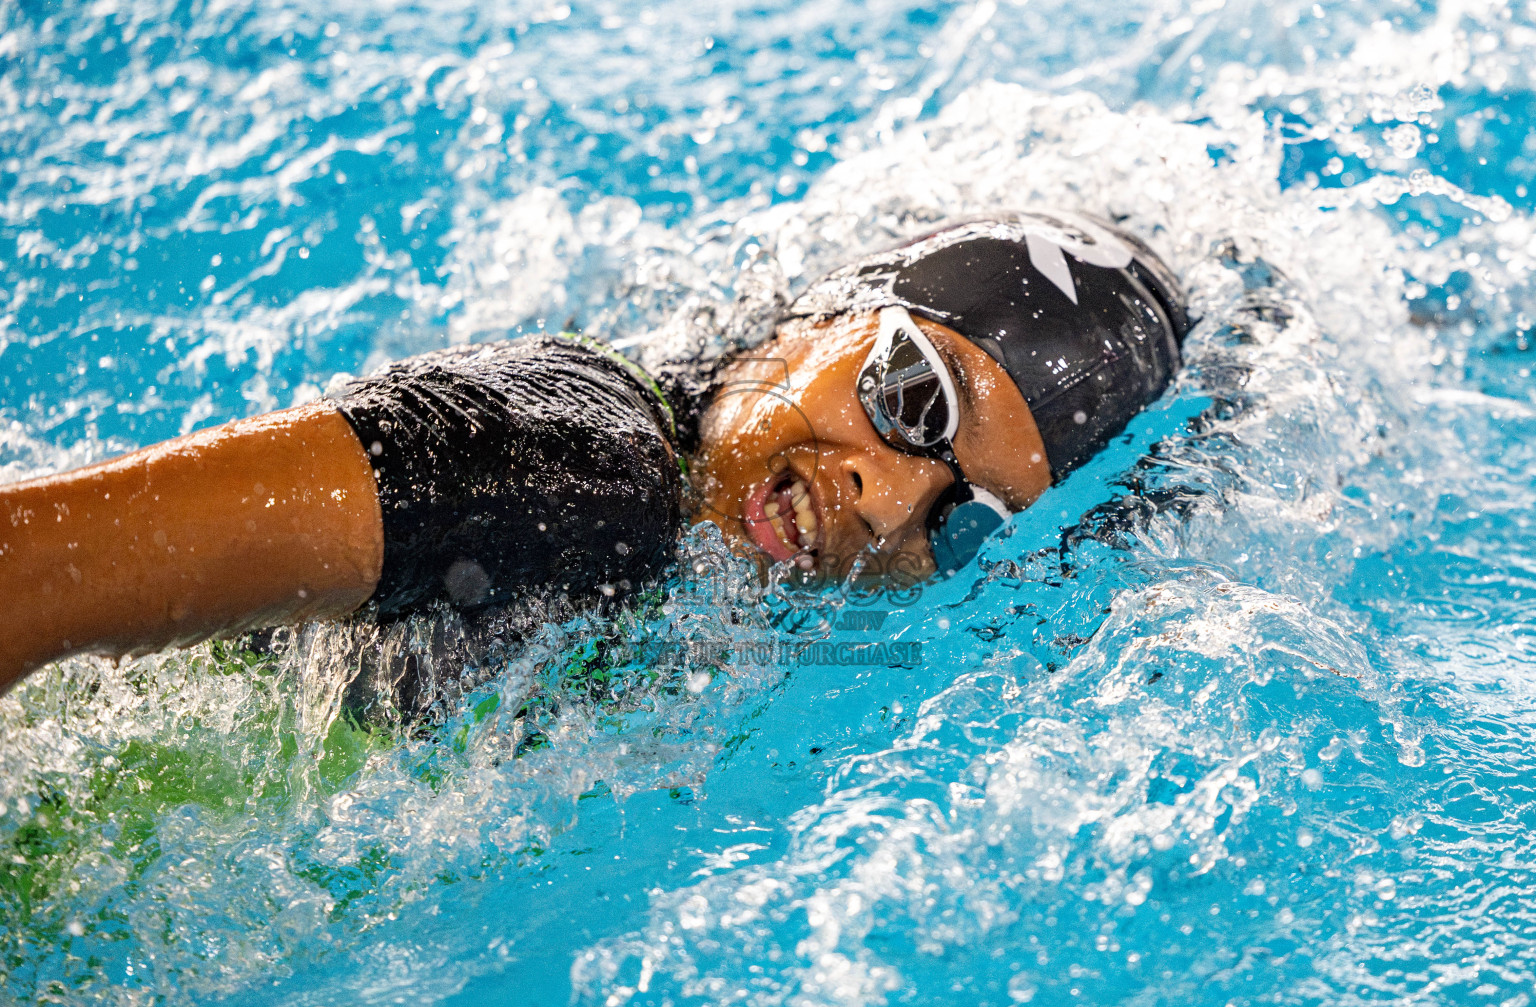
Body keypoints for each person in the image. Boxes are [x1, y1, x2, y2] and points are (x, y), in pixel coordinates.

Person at [0, 211, 1188, 697]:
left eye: (965, 514)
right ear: (829, 311)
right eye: (913, 397)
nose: (888, 498)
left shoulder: (711, 606)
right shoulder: (568, 472)